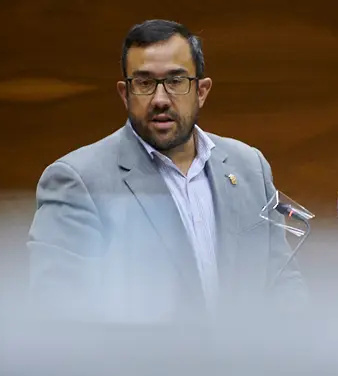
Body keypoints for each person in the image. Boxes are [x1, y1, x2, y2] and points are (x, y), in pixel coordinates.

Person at [27, 19, 307, 324]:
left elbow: (283, 284)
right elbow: (60, 313)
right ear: (125, 94)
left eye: (175, 81)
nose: (160, 99)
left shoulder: (249, 167)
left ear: (201, 91)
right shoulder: (78, 181)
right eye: (144, 83)